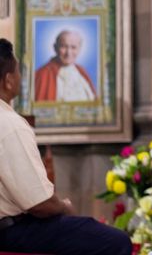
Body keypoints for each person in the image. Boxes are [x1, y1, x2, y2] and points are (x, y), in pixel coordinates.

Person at [0, 38, 131, 255]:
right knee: (115, 241)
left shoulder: (81, 74)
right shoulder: (10, 124)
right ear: (8, 80)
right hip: (12, 232)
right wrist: (64, 206)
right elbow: (40, 205)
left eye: (73, 47)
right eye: (18, 72)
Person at [35, 29, 97, 102]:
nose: (68, 53)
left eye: (73, 47)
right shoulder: (43, 73)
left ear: (79, 49)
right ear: (55, 48)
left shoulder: (82, 71)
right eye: (64, 46)